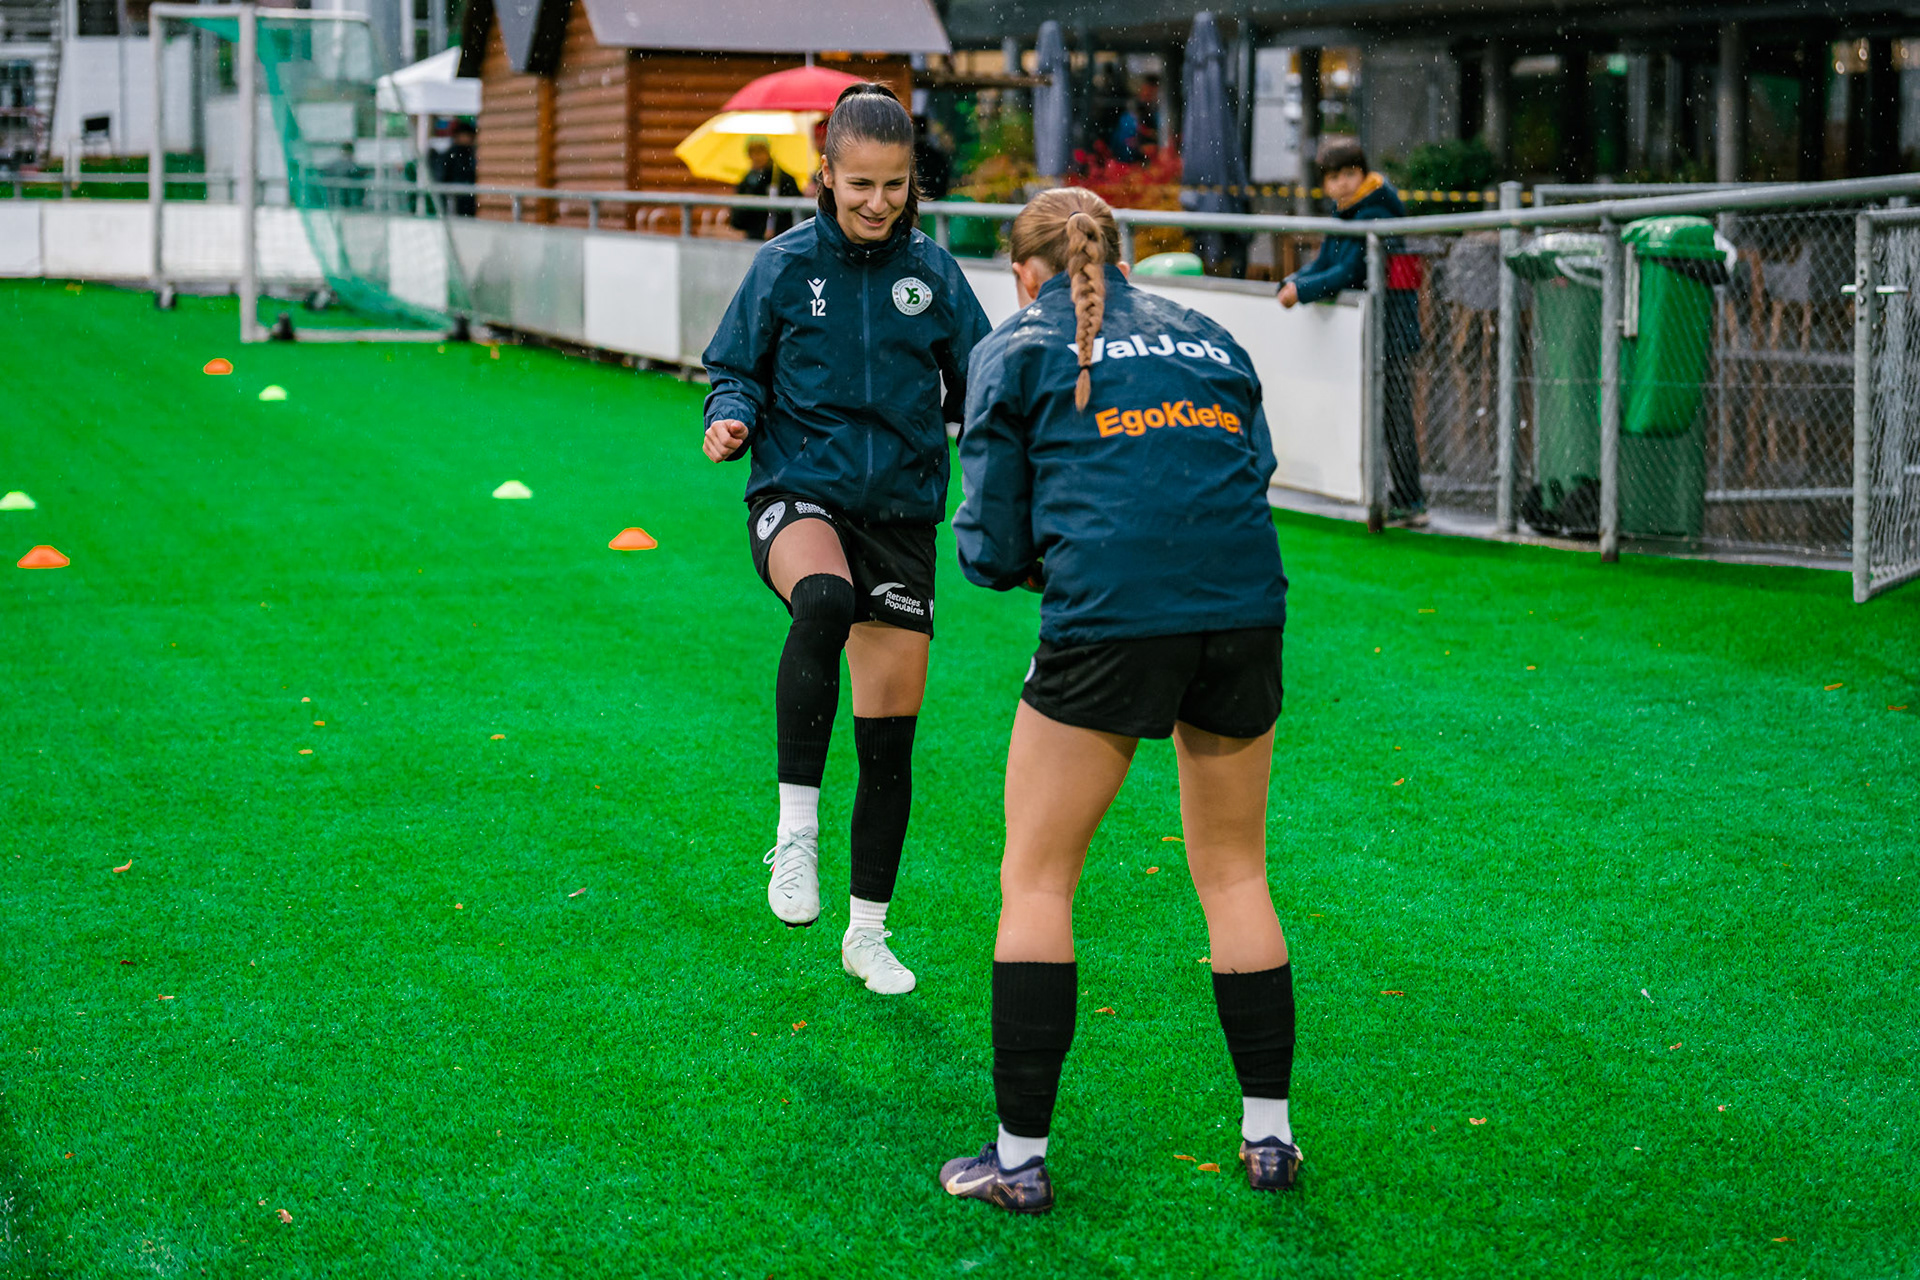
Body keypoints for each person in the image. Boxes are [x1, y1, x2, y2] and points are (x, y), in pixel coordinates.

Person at [939, 187, 1300, 1214]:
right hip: (1244, 609)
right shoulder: (1211, 334)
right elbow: (1252, 472)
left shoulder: (1013, 346)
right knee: (1234, 873)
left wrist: (1055, 566)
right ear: (1126, 260)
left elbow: (991, 547)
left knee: (1038, 878)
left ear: (1023, 271)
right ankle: (1269, 1136)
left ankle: (1018, 1158)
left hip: (1111, 616)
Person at [701, 83, 992, 995]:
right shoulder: (784, 268)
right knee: (823, 600)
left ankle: (867, 933)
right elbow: (732, 368)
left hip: (901, 518)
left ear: (914, 183)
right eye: (859, 183)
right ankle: (795, 833)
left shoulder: (937, 277)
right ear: (825, 174)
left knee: (888, 747)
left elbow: (983, 379)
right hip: (799, 496)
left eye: (895, 186)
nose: (876, 202)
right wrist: (731, 417)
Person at [1278, 135, 1425, 525]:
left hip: (1389, 330)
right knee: (1380, 414)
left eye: (1348, 174)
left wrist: (1302, 289)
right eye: (1333, 176)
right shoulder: (1347, 213)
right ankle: (1391, 495)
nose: (1341, 183)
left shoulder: (1373, 215)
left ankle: (1409, 501)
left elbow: (1348, 272)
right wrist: (1294, 280)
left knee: (1394, 416)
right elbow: (1326, 260)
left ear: (1362, 174)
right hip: (1370, 330)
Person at [730, 138, 801, 240]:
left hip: (780, 237)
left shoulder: (781, 178)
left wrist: (775, 227)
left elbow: (793, 208)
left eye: (760, 151)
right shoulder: (746, 181)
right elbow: (738, 217)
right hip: (754, 235)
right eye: (753, 152)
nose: (757, 157)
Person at [438, 121, 477, 217]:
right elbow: (444, 175)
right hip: (457, 196)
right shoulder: (453, 154)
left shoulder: (471, 153)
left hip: (467, 197)